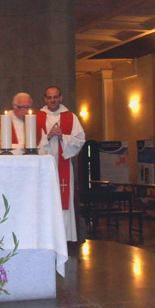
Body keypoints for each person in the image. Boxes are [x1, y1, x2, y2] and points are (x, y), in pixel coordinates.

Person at [36, 86, 86, 241]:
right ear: (45, 99)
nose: (53, 100)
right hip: (43, 167)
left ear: (61, 98)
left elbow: (80, 140)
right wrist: (48, 136)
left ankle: (63, 237)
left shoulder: (71, 117)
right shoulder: (37, 118)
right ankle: (46, 237)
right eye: (49, 97)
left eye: (55, 97)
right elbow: (31, 144)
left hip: (63, 165)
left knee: (63, 200)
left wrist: (63, 136)